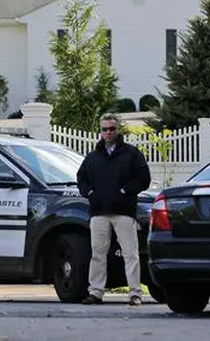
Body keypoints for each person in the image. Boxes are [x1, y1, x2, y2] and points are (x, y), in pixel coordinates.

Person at [76, 113, 151, 306]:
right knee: (98, 254)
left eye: (112, 129)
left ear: (118, 130)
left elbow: (144, 179)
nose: (108, 132)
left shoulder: (131, 154)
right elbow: (81, 178)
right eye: (104, 129)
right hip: (99, 212)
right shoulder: (92, 157)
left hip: (124, 212)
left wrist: (125, 191)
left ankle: (135, 293)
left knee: (131, 254)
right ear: (100, 131)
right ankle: (95, 292)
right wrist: (90, 193)